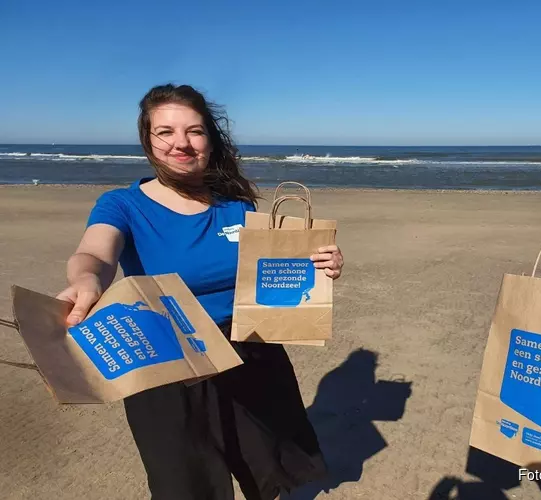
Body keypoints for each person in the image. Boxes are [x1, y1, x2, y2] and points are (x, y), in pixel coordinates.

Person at [55, 83, 344, 500]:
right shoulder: (122, 204)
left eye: (194, 131)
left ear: (210, 138)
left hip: (249, 352)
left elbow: (272, 270)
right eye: (166, 132)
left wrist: (319, 264)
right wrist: (87, 279)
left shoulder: (236, 205)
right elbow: (95, 253)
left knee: (267, 470)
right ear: (148, 140)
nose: (181, 144)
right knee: (185, 483)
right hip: (166, 360)